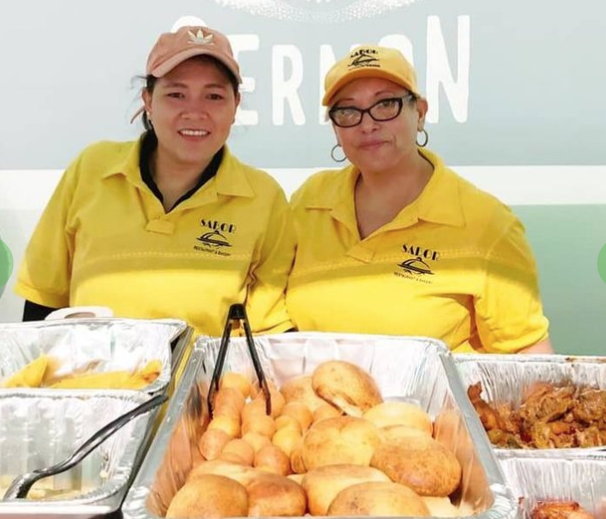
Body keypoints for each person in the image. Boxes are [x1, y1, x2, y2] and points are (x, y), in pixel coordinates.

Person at [15, 25, 295, 336]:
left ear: (235, 106)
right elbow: (42, 301)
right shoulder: (91, 170)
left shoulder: (264, 198)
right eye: (176, 94)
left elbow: (267, 334)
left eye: (214, 96)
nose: (195, 112)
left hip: (206, 385)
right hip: (90, 382)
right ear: (148, 100)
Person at [286, 44, 552, 354]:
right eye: (347, 111)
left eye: (385, 104)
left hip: (439, 404)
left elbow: (529, 356)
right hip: (317, 399)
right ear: (335, 128)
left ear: (420, 113)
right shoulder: (309, 201)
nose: (367, 124)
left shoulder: (486, 223)